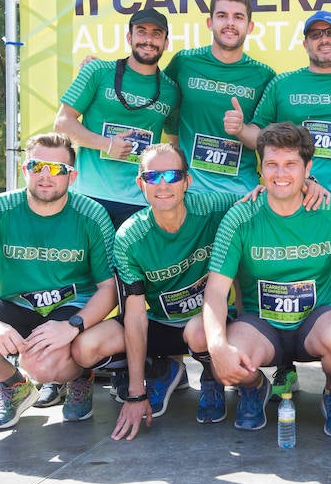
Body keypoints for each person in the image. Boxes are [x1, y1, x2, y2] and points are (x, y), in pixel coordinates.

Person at [223, 10, 331, 399]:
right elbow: (260, 136)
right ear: (305, 42)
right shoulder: (283, 84)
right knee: (266, 283)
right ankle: (281, 369)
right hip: (286, 200)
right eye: (315, 34)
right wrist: (241, 130)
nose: (324, 39)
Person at [0, 133, 117, 431]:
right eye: (37, 166)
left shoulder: (91, 215)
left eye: (57, 169)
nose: (46, 176)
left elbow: (109, 289)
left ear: (72, 177)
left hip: (71, 308)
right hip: (16, 305)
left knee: (42, 365)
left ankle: (80, 375)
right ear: (25, 170)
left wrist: (72, 327)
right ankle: (14, 386)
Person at [202, 122, 331, 437]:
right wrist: (218, 346)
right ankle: (254, 387)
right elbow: (215, 293)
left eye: (291, 164)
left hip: (314, 325)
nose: (281, 173)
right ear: (260, 169)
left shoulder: (330, 210)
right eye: (272, 164)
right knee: (225, 349)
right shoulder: (240, 216)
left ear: (308, 168)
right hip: (261, 328)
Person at [69, 143, 238, 440]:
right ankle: (159, 370)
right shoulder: (129, 237)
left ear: (187, 181)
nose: (162, 184)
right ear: (140, 184)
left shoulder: (214, 206)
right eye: (152, 177)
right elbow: (135, 316)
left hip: (208, 322)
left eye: (172, 176)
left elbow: (261, 201)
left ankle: (212, 379)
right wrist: (136, 393)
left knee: (199, 332)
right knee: (85, 348)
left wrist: (308, 188)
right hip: (161, 322)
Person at [55, 7, 180, 229]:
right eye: (141, 32)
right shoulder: (97, 71)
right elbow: (62, 124)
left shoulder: (171, 91)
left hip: (141, 202)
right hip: (88, 196)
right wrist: (107, 144)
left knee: (128, 265)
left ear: (166, 43)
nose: (148, 40)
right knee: (87, 265)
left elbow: (175, 143)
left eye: (156, 34)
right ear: (129, 37)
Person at [162, 0, 276, 194]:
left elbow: (264, 140)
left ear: (250, 27)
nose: (230, 23)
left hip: (241, 193)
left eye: (238, 17)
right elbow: (152, 93)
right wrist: (113, 69)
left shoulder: (264, 75)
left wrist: (241, 129)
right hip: (190, 191)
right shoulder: (184, 62)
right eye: (222, 16)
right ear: (209, 22)